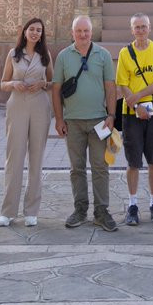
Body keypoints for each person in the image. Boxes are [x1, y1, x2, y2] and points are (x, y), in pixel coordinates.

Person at [52, 16, 118, 232]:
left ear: (92, 32)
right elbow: (56, 89)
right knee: (77, 168)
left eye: (86, 31)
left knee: (100, 167)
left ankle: (101, 212)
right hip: (73, 122)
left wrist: (111, 115)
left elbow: (110, 87)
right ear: (72, 33)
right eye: (79, 31)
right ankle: (80, 210)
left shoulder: (103, 55)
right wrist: (59, 119)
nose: (82, 35)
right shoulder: (63, 56)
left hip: (99, 121)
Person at [0, 16, 53, 228]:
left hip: (39, 105)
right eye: (32, 29)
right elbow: (2, 83)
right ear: (25, 31)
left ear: (42, 34)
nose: (35, 33)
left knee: (36, 158)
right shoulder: (14, 54)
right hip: (17, 105)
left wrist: (43, 83)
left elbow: (52, 82)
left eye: (39, 30)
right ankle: (8, 211)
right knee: (15, 157)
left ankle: (31, 210)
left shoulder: (45, 55)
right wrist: (14, 83)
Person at [115, 13, 153, 225]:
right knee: (133, 162)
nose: (140, 30)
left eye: (143, 26)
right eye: (137, 27)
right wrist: (136, 105)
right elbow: (122, 83)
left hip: (152, 113)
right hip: (131, 114)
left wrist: (139, 97)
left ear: (150, 28)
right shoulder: (125, 53)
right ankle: (133, 205)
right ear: (132, 30)